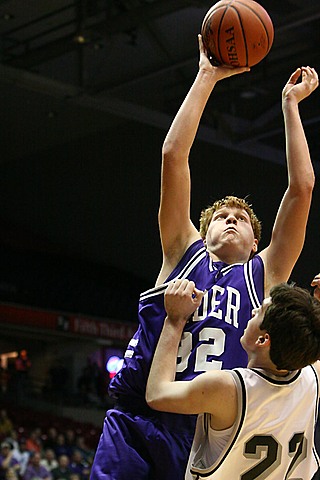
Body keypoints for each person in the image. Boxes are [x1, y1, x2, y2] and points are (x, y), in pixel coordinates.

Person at [90, 35, 319, 480]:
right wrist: (207, 75)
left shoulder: (265, 274)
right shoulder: (182, 250)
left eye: (241, 219)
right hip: (137, 414)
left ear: (257, 240)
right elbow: (174, 156)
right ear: (204, 229)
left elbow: (302, 189)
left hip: (204, 428)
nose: (230, 220)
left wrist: (291, 107)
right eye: (221, 216)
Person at [146, 277, 320, 478]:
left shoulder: (229, 388)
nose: (253, 311)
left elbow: (156, 394)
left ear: (263, 340)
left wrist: (175, 320)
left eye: (260, 312)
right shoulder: (313, 378)